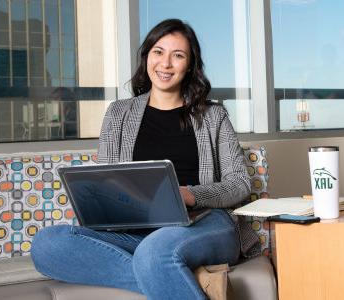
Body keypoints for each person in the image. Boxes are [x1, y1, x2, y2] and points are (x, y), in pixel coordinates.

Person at [31, 19, 255, 299]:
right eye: (158, 52)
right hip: (137, 232)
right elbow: (107, 182)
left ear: (190, 66)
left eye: (178, 55)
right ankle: (185, 278)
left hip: (204, 223)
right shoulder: (118, 114)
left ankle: (162, 267)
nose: (166, 64)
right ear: (147, 56)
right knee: (47, 244)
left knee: (155, 250)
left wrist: (189, 195)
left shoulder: (213, 116)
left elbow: (240, 184)